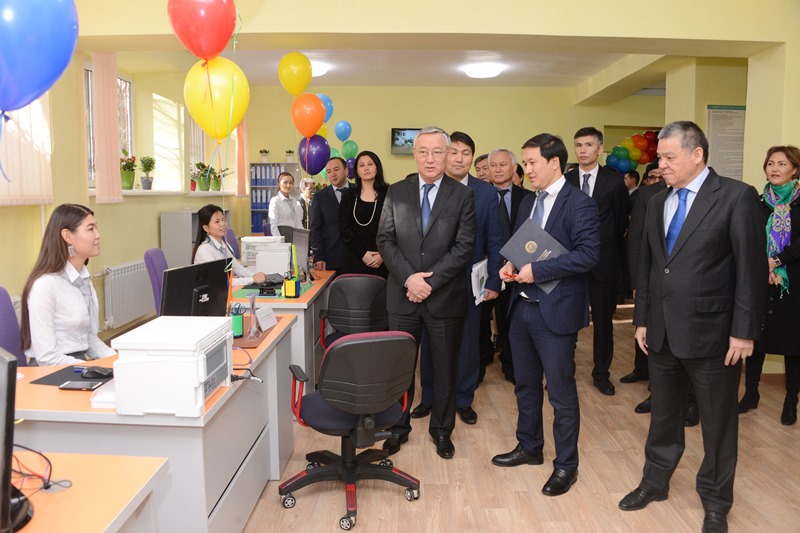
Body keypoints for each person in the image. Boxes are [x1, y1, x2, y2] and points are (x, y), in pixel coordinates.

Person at [619, 121, 767, 533]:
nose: (660, 165)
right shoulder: (656, 201)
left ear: (697, 154)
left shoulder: (736, 197)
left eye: (669, 157)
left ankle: (716, 501)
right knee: (663, 417)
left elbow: (751, 270)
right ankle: (655, 482)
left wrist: (744, 331)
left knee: (718, 424)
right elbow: (651, 267)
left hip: (715, 336)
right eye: (659, 158)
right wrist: (642, 319)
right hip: (662, 332)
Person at [491, 133, 599, 498]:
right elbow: (524, 247)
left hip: (556, 310)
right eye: (525, 162)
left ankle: (566, 464)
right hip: (522, 307)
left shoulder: (580, 204)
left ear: (554, 163)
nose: (527, 169)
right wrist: (510, 264)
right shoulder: (528, 202)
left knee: (561, 393)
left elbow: (588, 255)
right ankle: (530, 446)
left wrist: (538, 271)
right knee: (525, 385)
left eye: (532, 162)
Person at [376, 127, 476, 459]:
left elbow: (463, 247)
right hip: (402, 297)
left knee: (445, 369)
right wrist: (410, 279)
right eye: (423, 151)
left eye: (437, 152)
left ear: (447, 154)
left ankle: (442, 431)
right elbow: (385, 240)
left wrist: (428, 283)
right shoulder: (396, 191)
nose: (430, 159)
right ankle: (397, 428)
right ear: (414, 154)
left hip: (444, 298)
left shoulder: (462, 195)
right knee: (399, 368)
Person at [411, 131, 502, 425]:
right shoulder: (432, 188)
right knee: (430, 341)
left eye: (466, 153)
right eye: (454, 152)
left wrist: (493, 281)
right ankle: (429, 397)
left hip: (470, 281)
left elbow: (495, 239)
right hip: (434, 280)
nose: (459, 158)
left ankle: (463, 398)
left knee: (468, 342)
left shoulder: (486, 192)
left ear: (473, 158)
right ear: (445, 154)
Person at [738, 145, 800, 425]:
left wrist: (776, 262)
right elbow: (749, 237)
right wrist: (762, 266)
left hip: (793, 281)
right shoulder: (758, 202)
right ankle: (751, 394)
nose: (774, 168)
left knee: (793, 343)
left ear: (795, 169)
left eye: (782, 164)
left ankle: (791, 400)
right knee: (756, 338)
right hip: (760, 279)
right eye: (771, 163)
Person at [565, 127, 629, 396]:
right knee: (567, 320)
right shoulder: (566, 180)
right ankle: (563, 371)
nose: (583, 150)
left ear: (600, 149)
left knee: (603, 322)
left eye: (588, 145)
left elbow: (620, 222)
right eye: (578, 145)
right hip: (571, 262)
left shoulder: (614, 181)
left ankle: (601, 373)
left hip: (603, 262)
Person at [20, 204, 116, 366]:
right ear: (68, 236)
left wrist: (117, 360)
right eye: (90, 229)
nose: (98, 235)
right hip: (51, 370)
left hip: (75, 363)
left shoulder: (83, 278)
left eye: (96, 228)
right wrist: (90, 368)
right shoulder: (45, 285)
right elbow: (47, 358)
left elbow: (87, 337)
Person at [489, 148, 533, 383]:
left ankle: (511, 365)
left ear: (514, 168)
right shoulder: (479, 195)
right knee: (482, 321)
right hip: (486, 269)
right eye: (493, 165)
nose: (497, 169)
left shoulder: (528, 198)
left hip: (518, 269)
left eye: (503, 164)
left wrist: (514, 261)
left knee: (512, 320)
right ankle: (482, 361)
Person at [338, 151, 389, 278]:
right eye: (361, 165)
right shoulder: (349, 195)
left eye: (370, 164)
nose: (366, 168)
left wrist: (383, 255)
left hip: (382, 259)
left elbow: (395, 228)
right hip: (354, 257)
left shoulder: (389, 193)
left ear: (377, 167)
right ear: (357, 171)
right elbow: (344, 229)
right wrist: (362, 254)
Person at [193, 204, 267, 286]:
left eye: (223, 219)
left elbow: (238, 268)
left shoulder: (221, 244)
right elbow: (220, 281)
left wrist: (254, 275)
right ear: (206, 228)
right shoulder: (204, 250)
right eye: (217, 221)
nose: (222, 224)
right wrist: (252, 279)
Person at [311, 157, 350, 272]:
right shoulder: (319, 197)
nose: (333, 174)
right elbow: (315, 229)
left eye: (336, 170)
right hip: (331, 257)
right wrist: (318, 256)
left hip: (358, 257)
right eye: (329, 171)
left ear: (346, 170)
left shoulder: (359, 191)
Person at [268, 172, 303, 238]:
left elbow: (298, 222)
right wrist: (280, 241)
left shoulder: (294, 200)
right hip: (281, 236)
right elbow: (273, 225)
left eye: (291, 183)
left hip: (294, 236)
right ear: (279, 184)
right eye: (285, 182)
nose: (288, 185)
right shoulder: (275, 201)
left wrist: (303, 237)